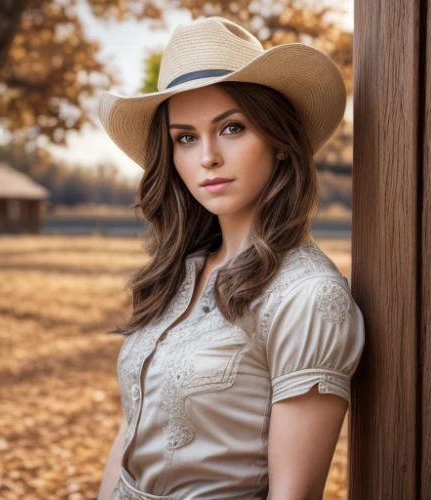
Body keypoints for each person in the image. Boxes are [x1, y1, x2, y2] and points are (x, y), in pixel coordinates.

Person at [97, 16, 365, 500]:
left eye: (232, 128)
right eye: (186, 137)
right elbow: (130, 432)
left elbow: (294, 495)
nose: (207, 158)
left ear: (280, 143)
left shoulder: (308, 296)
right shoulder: (180, 273)